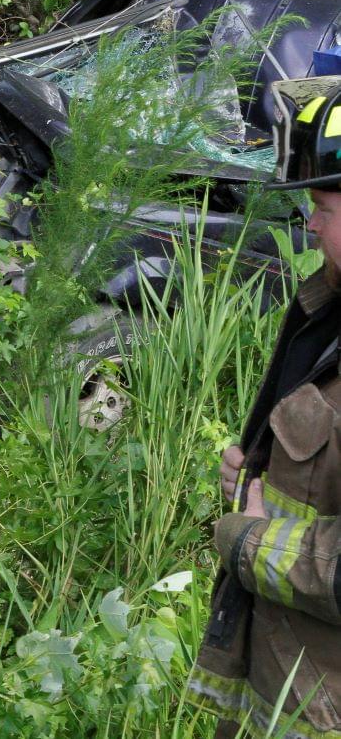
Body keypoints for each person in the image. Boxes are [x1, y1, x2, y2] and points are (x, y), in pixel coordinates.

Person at [191, 75, 341, 738]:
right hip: (287, 678)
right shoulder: (326, 306)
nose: (309, 224)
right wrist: (261, 472)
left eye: (324, 208)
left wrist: (251, 540)